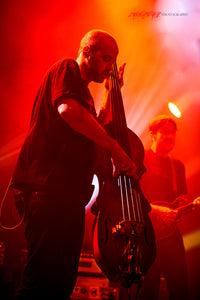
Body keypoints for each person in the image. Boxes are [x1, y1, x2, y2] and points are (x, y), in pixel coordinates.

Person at [11, 29, 138, 299]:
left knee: (60, 284)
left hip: (69, 197)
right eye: (106, 59)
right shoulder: (67, 68)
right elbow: (68, 111)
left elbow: (96, 127)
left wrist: (110, 92)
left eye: (113, 62)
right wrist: (115, 148)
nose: (110, 67)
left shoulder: (86, 96)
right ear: (87, 52)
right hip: (49, 191)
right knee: (40, 281)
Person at [138, 115, 190, 300]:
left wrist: (186, 206)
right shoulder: (141, 159)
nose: (170, 137)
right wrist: (157, 211)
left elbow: (181, 198)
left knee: (180, 287)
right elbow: (133, 196)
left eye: (173, 133)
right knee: (147, 289)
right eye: (165, 132)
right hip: (145, 233)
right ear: (153, 135)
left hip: (170, 234)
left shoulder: (177, 166)